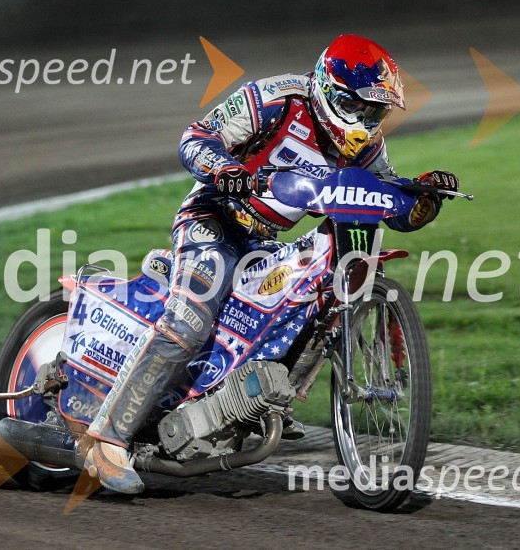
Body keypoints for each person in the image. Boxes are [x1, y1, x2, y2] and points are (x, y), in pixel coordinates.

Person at [81, 34, 460, 494]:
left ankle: (258, 402)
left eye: (375, 112)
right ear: (327, 89)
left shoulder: (365, 143)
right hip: (214, 220)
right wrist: (225, 169)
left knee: (313, 301)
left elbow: (381, 200)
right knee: (190, 322)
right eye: (357, 107)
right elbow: (195, 137)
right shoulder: (275, 98)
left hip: (263, 242)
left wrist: (421, 201)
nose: (365, 122)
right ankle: (106, 438)